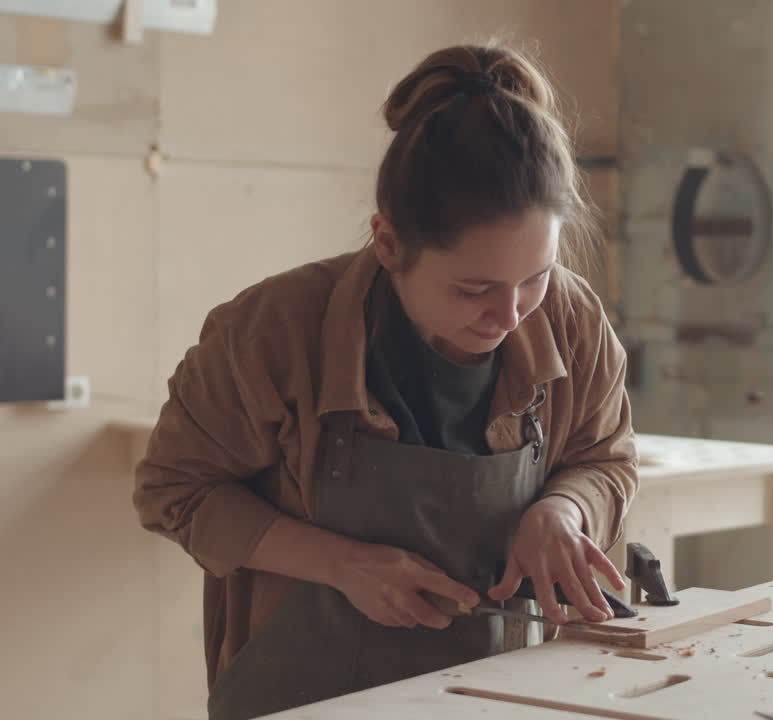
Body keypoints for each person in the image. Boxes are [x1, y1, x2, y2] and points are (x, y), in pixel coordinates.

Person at [133, 42, 637, 720]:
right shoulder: (273, 331)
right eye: (474, 288)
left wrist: (563, 510)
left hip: (503, 695)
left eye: (534, 279)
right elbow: (174, 490)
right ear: (389, 241)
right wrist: (342, 564)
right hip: (304, 700)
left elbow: (605, 457)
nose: (510, 315)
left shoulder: (571, 318)